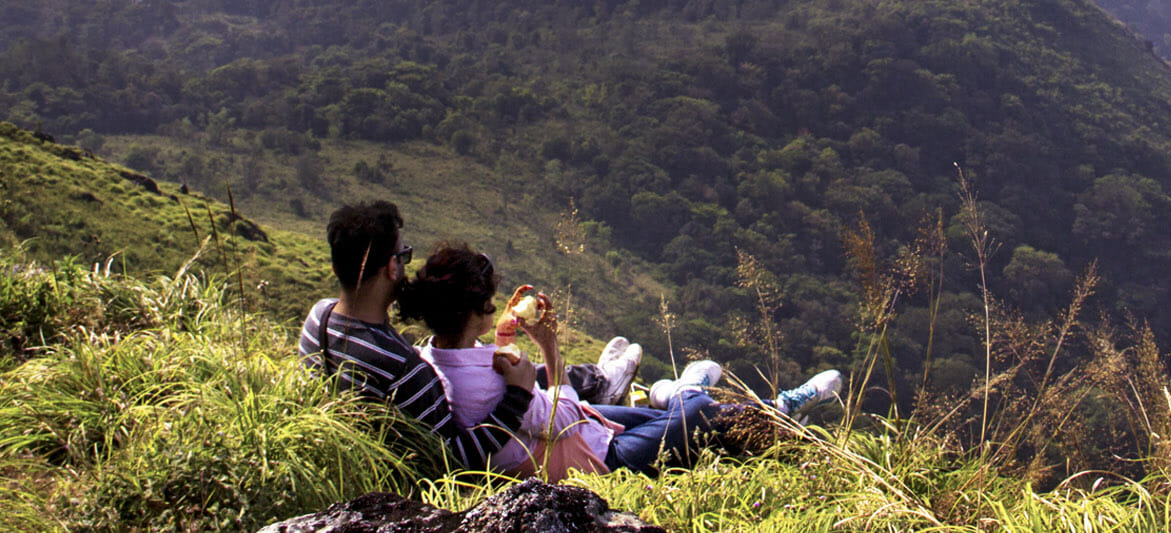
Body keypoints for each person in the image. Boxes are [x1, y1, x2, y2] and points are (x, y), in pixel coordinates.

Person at [395, 239, 844, 477]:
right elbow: (562, 416)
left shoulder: (433, 356)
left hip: (582, 433)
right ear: (473, 311)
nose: (495, 309)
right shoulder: (487, 384)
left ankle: (719, 401)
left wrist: (507, 340)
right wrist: (549, 347)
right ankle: (733, 400)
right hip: (595, 461)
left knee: (706, 418)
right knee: (703, 412)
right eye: (490, 303)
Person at [298, 201, 536, 469]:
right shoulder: (404, 369)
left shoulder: (318, 318)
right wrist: (517, 397)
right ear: (391, 267)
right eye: (404, 256)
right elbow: (450, 459)